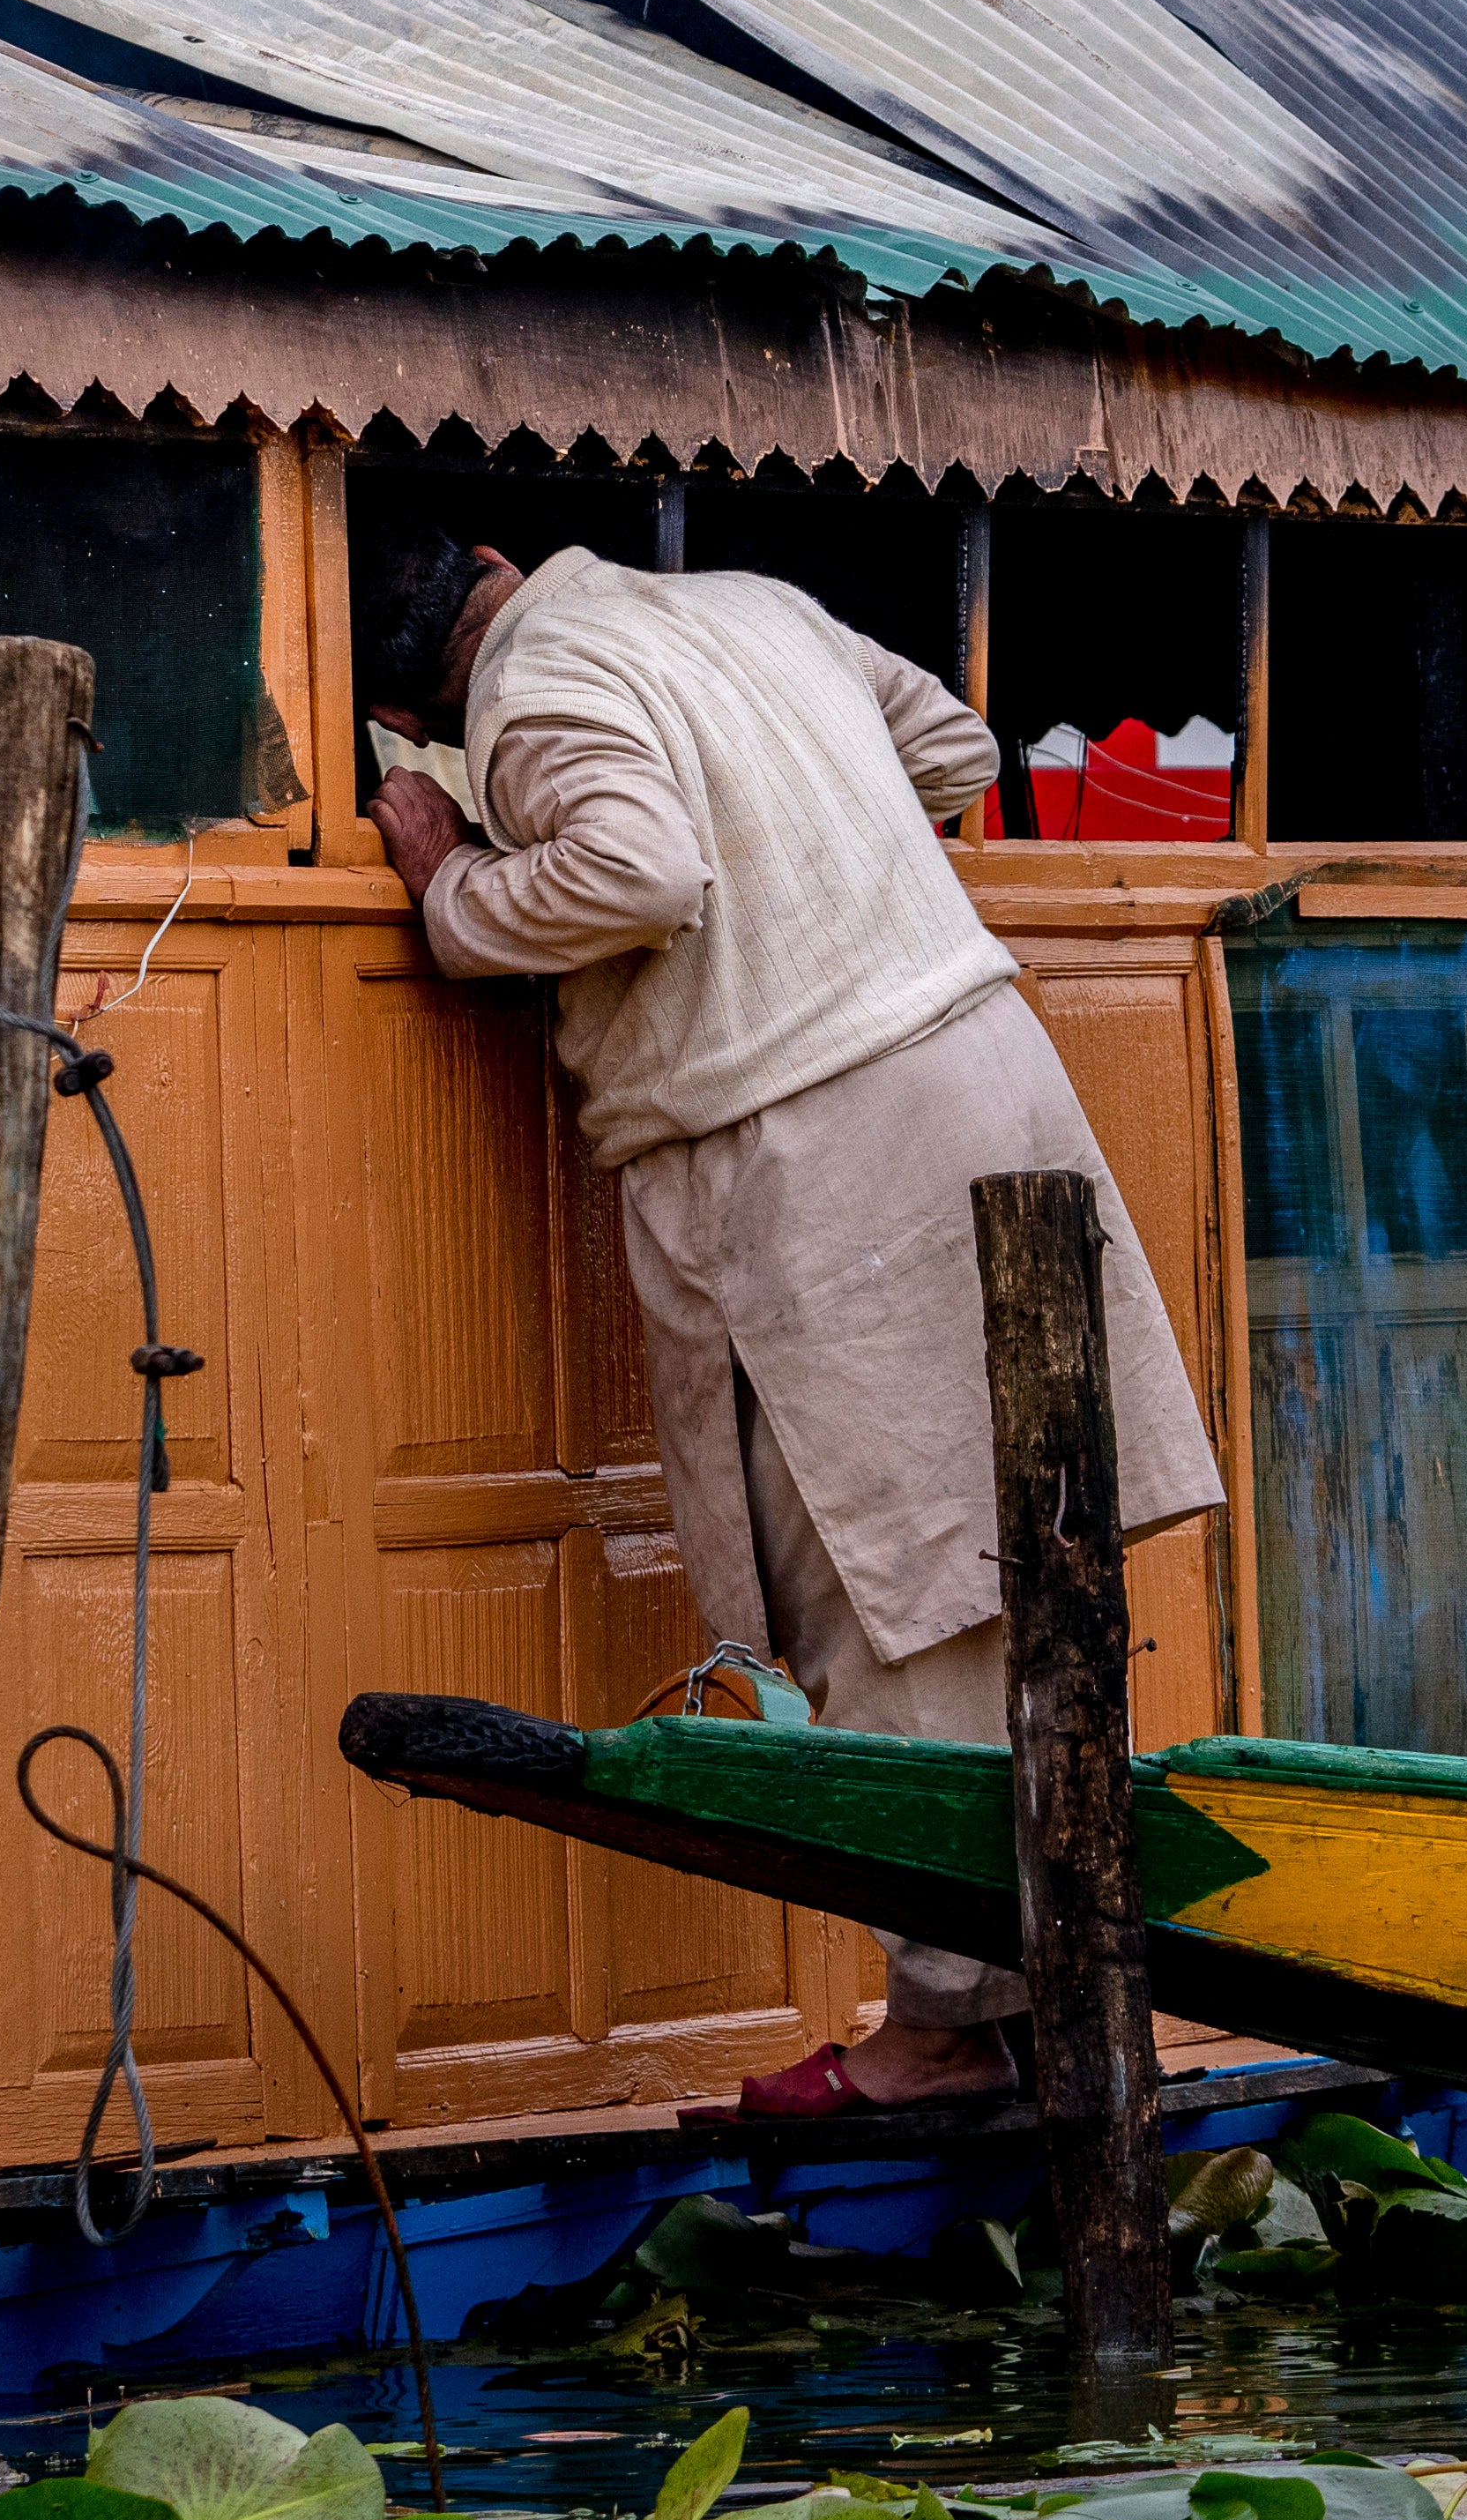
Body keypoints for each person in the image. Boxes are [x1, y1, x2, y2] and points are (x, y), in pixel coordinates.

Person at [361, 526, 1223, 2120]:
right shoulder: (747, 602)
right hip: (980, 1068)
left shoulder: (535, 691)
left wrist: (455, 882)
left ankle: (949, 2029)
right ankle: (1043, 1990)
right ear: (492, 556)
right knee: (1007, 1571)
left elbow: (639, 871)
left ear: (410, 721)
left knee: (873, 1580)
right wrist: (816, 848)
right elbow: (952, 748)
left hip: (815, 1138)